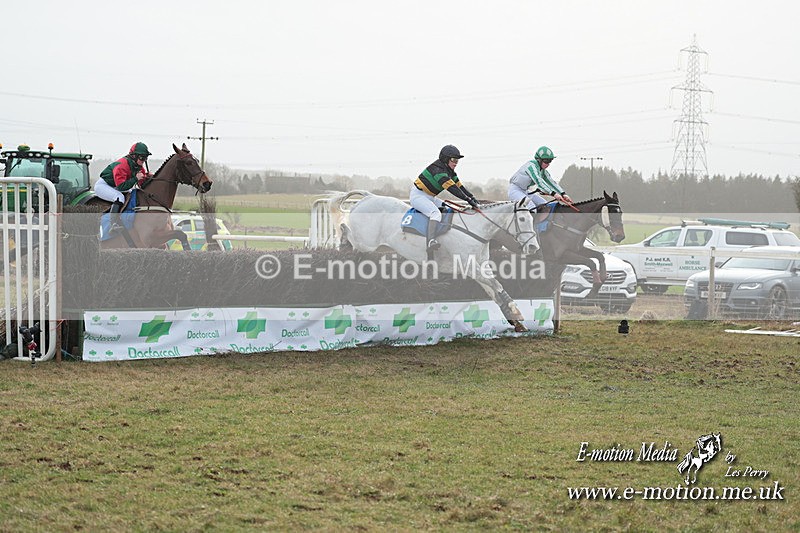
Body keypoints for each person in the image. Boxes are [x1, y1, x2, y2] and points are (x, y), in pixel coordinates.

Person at [411, 145, 480, 251]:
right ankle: (430, 241)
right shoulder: (438, 170)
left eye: (457, 160)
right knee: (435, 214)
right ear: (445, 158)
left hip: (430, 197)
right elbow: (452, 188)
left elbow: (460, 187)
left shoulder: (450, 172)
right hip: (418, 196)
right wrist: (468, 200)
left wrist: (472, 197)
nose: (455, 163)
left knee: (449, 208)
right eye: (453, 159)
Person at [94, 142, 152, 225]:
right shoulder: (122, 165)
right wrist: (136, 178)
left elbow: (141, 184)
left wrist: (148, 177)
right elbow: (121, 187)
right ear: (134, 156)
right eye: (142, 157)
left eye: (146, 157)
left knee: (133, 193)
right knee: (119, 197)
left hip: (115, 186)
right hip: (103, 186)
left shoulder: (138, 167)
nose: (144, 160)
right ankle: (113, 224)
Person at [508, 145, 572, 212]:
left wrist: (563, 194)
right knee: (531, 207)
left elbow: (551, 182)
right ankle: (529, 222)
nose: (548, 164)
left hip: (526, 192)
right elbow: (539, 182)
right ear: (539, 160)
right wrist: (554, 194)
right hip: (515, 191)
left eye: (550, 161)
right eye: (546, 161)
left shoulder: (542, 171)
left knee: (545, 205)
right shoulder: (531, 167)